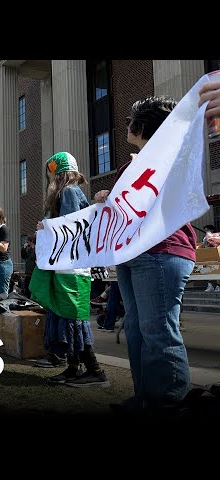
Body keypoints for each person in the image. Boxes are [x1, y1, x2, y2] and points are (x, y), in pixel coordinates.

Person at [94, 96, 193, 410]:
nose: (126, 126)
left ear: (141, 126)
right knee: (136, 330)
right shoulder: (135, 162)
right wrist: (107, 199)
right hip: (135, 255)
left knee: (158, 330)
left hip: (161, 252)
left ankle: (169, 403)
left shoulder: (170, 156)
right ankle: (145, 398)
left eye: (128, 121)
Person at [34, 152, 109, 387]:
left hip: (71, 268)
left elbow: (69, 227)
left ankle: (94, 370)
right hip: (71, 266)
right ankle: (74, 368)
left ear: (58, 173)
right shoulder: (72, 192)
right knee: (69, 316)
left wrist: (47, 228)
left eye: (52, 174)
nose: (50, 180)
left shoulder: (67, 192)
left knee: (72, 317)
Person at [202, 225, 220, 292]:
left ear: (212, 230)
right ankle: (210, 286)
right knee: (208, 271)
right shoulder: (205, 238)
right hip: (207, 256)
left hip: (216, 255)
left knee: (217, 270)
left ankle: (218, 286)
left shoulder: (217, 235)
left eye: (207, 230)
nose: (206, 231)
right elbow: (203, 245)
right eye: (205, 230)